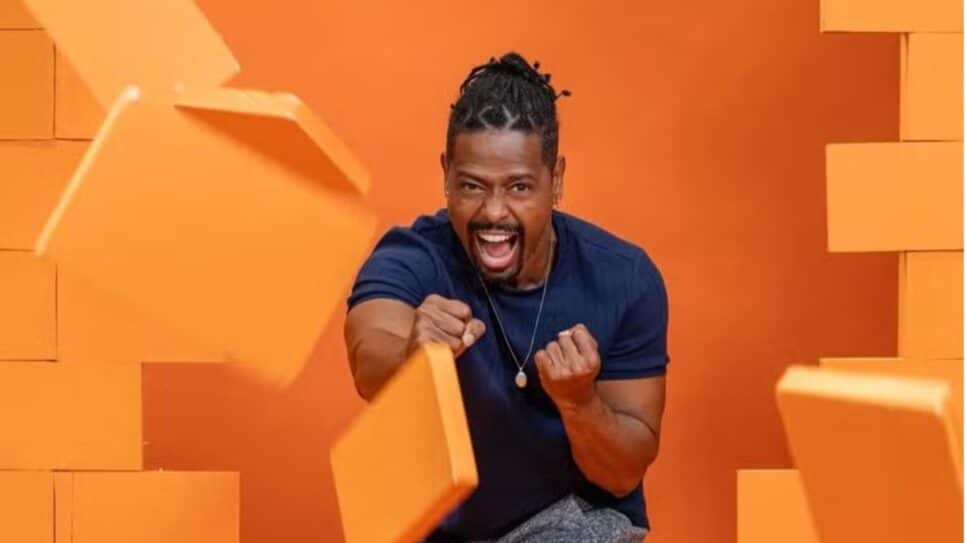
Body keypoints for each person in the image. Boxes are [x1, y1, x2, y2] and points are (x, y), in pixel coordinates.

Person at [344, 52, 669, 543]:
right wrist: (413, 357)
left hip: (571, 520)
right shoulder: (412, 257)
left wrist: (579, 403)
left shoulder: (623, 277)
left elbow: (622, 474)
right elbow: (368, 364)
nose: (494, 212)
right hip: (442, 529)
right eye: (472, 186)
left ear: (555, 181)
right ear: (446, 175)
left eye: (519, 187)